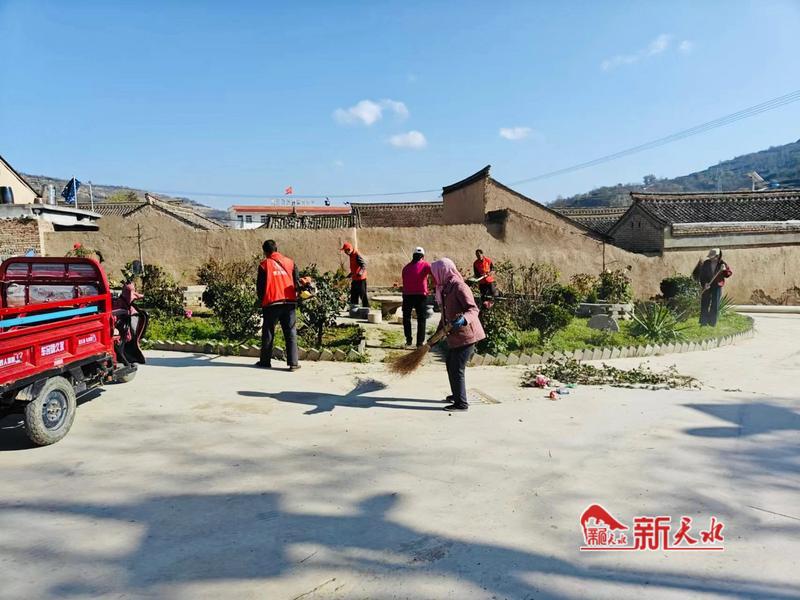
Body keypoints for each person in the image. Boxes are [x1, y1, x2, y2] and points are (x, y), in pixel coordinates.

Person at [431, 258, 486, 412]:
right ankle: (457, 395)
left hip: (467, 335)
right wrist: (435, 337)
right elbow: (445, 316)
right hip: (456, 336)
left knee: (456, 368)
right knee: (451, 364)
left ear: (443, 271)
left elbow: (473, 309)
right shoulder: (443, 288)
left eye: (435, 273)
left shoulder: (459, 286)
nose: (433, 276)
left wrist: (463, 319)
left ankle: (461, 404)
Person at [256, 239, 300, 370]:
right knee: (291, 331)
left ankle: (265, 361)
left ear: (265, 252)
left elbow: (260, 287)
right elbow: (296, 282)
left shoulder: (264, 265)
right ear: (276, 249)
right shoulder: (291, 262)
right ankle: (293, 363)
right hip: (289, 302)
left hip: (271, 303)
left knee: (268, 331)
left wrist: (261, 300)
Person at [692, 248, 733, 327]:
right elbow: (702, 275)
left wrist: (724, 270)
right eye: (710, 257)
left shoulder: (722, 264)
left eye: (712, 257)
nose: (711, 258)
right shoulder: (706, 263)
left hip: (717, 286)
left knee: (715, 304)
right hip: (708, 285)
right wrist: (704, 284)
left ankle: (712, 323)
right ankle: (703, 322)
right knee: (705, 302)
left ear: (717, 256)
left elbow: (728, 274)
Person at [401, 246, 432, 347]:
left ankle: (408, 340)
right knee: (421, 319)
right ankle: (419, 343)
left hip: (407, 295)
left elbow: (404, 281)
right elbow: (434, 275)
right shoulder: (426, 265)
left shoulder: (406, 268)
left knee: (406, 318)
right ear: (422, 256)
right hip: (420, 295)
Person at [341, 242, 369, 308]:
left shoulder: (356, 254)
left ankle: (366, 309)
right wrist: (349, 275)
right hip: (355, 278)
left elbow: (364, 265)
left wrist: (360, 273)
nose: (345, 252)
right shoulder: (351, 256)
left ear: (349, 249)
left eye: (345, 251)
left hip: (361, 279)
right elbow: (354, 268)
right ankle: (354, 309)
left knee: (362, 295)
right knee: (353, 295)